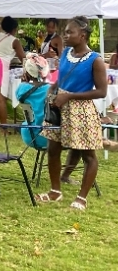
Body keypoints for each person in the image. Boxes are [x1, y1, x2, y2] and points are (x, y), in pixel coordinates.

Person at [37, 17, 108, 211]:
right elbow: (61, 78)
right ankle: (55, 191)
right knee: (53, 150)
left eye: (70, 32)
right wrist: (53, 90)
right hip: (59, 107)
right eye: (65, 32)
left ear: (82, 36)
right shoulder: (66, 53)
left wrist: (69, 97)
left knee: (88, 155)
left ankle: (81, 198)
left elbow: (102, 92)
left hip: (81, 111)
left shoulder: (96, 60)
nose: (65, 36)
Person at [16, 52, 51, 154]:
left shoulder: (21, 89)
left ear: (27, 72)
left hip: (29, 134)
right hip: (50, 136)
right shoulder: (52, 89)